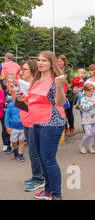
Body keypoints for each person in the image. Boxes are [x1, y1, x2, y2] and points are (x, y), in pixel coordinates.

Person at [17, 50, 67, 200]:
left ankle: (56, 195)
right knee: (42, 158)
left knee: (49, 160)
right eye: (38, 60)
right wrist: (23, 98)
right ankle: (48, 191)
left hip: (51, 124)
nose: (40, 62)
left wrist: (59, 86)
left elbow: (60, 102)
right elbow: (34, 102)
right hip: (36, 122)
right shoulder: (36, 80)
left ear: (51, 63)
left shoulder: (56, 80)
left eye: (44, 60)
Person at [15, 59, 46, 191]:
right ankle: (36, 176)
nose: (21, 72)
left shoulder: (35, 85)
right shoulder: (24, 84)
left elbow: (35, 106)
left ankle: (40, 178)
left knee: (34, 152)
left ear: (32, 71)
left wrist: (24, 98)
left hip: (33, 121)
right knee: (32, 151)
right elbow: (20, 103)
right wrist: (14, 92)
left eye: (24, 69)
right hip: (26, 120)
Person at [79, 83, 95, 154]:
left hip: (94, 119)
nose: (91, 93)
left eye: (92, 91)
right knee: (88, 133)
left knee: (92, 134)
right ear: (85, 91)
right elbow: (84, 108)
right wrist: (91, 105)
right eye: (89, 91)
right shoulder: (83, 99)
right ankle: (81, 145)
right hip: (86, 120)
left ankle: (90, 147)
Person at [57, 55, 76, 137]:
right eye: (57, 61)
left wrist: (66, 87)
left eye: (60, 61)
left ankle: (72, 128)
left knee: (69, 113)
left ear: (64, 62)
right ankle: (64, 128)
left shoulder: (69, 70)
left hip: (69, 95)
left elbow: (72, 82)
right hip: (60, 94)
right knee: (61, 112)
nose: (59, 63)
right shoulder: (56, 70)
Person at [5, 95, 25, 162]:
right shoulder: (11, 105)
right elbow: (7, 117)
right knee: (14, 142)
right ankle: (15, 152)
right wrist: (7, 126)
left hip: (22, 127)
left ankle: (20, 155)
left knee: (21, 142)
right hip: (13, 127)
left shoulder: (23, 103)